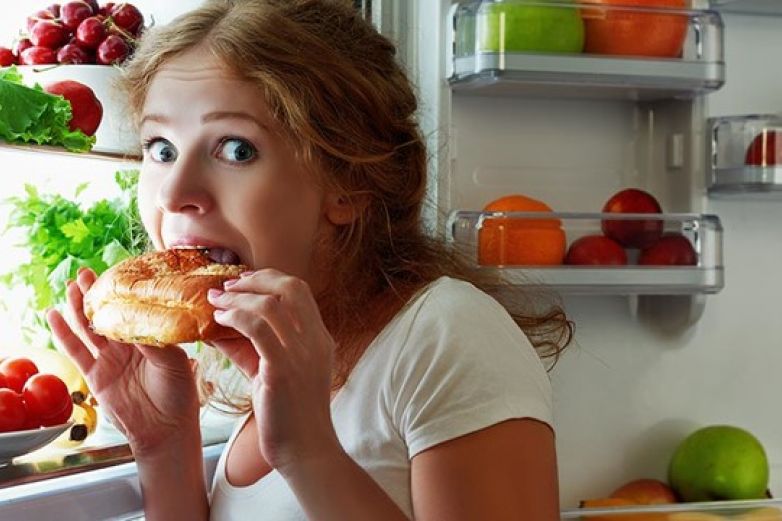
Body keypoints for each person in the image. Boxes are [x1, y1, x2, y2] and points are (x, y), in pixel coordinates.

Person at [46, 1, 573, 519]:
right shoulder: (254, 358)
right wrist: (162, 443)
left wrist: (308, 453)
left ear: (348, 182)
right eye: (161, 148)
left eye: (236, 149)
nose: (174, 192)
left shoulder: (448, 335)